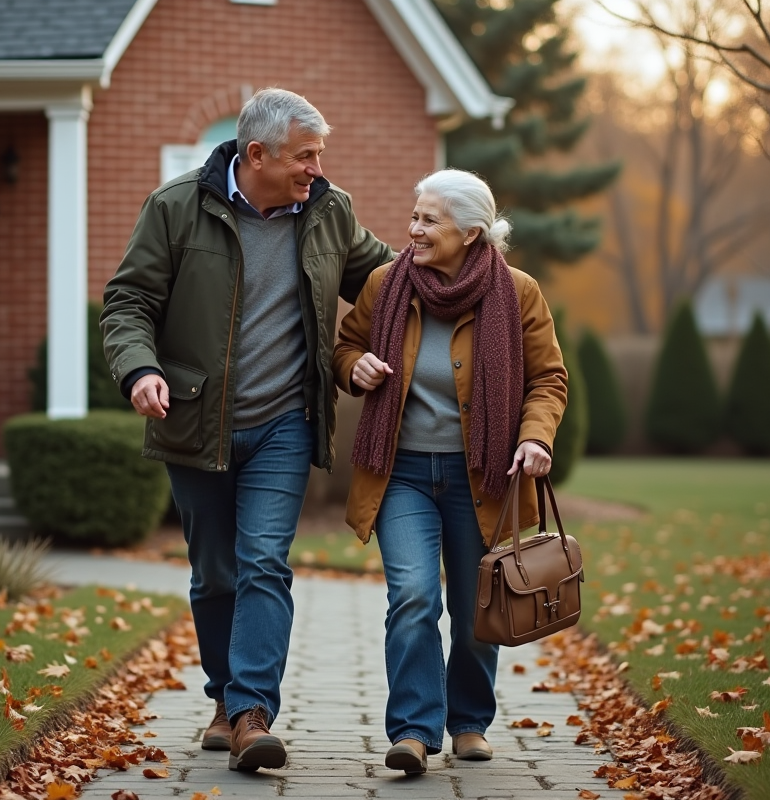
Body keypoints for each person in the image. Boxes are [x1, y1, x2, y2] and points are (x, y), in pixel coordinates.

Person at [101, 88, 393, 772]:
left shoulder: (330, 210)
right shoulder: (176, 207)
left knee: (264, 562)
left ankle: (252, 712)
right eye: (305, 155)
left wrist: (471, 265)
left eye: (320, 155)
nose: (316, 169)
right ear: (256, 154)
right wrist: (140, 369)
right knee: (214, 573)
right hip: (194, 419)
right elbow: (129, 300)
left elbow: (386, 280)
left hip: (284, 422)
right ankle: (225, 699)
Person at [332, 169, 567, 775]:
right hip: (400, 471)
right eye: (414, 216)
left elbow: (548, 379)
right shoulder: (387, 284)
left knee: (473, 606)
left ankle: (467, 721)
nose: (412, 229)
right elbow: (344, 346)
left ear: (471, 231)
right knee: (412, 594)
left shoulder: (517, 293)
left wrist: (535, 437)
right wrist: (354, 368)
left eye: (428, 220)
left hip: (480, 476)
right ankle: (412, 730)